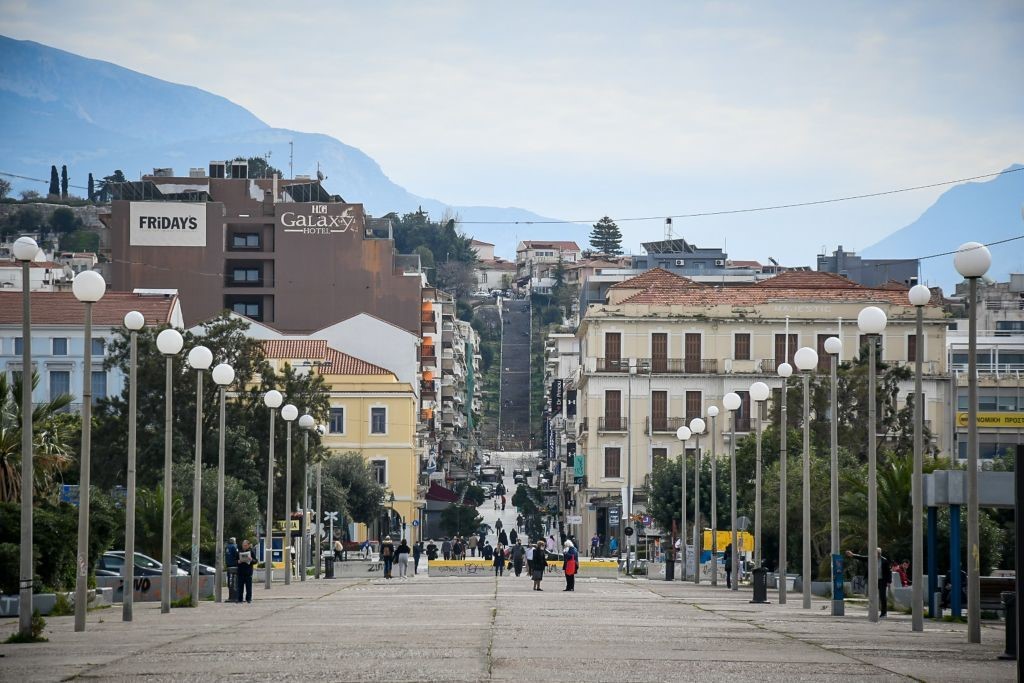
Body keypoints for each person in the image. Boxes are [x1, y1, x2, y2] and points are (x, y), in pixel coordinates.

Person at [847, 548, 892, 617]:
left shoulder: (884, 561)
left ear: (880, 553)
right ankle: (872, 611)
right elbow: (861, 558)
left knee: (882, 597)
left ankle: (884, 613)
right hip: (873, 580)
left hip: (882, 580)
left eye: (878, 553)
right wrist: (853, 555)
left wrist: (889, 581)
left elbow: (889, 572)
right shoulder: (871, 559)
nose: (876, 554)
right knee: (872, 596)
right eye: (875, 553)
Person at [236, 539, 256, 603]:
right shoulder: (239, 552)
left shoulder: (251, 551)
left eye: (245, 545)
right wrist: (238, 561)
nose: (244, 546)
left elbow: (255, 561)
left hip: (248, 572)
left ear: (248, 545)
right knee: (240, 587)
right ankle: (240, 599)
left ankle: (248, 599)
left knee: (248, 587)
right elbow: (235, 560)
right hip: (240, 572)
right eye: (243, 545)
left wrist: (251, 559)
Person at [225, 537, 239, 601]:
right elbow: (237, 554)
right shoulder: (234, 546)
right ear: (234, 541)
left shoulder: (227, 547)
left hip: (228, 565)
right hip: (234, 565)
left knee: (229, 580)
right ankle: (235, 595)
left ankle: (231, 594)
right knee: (235, 580)